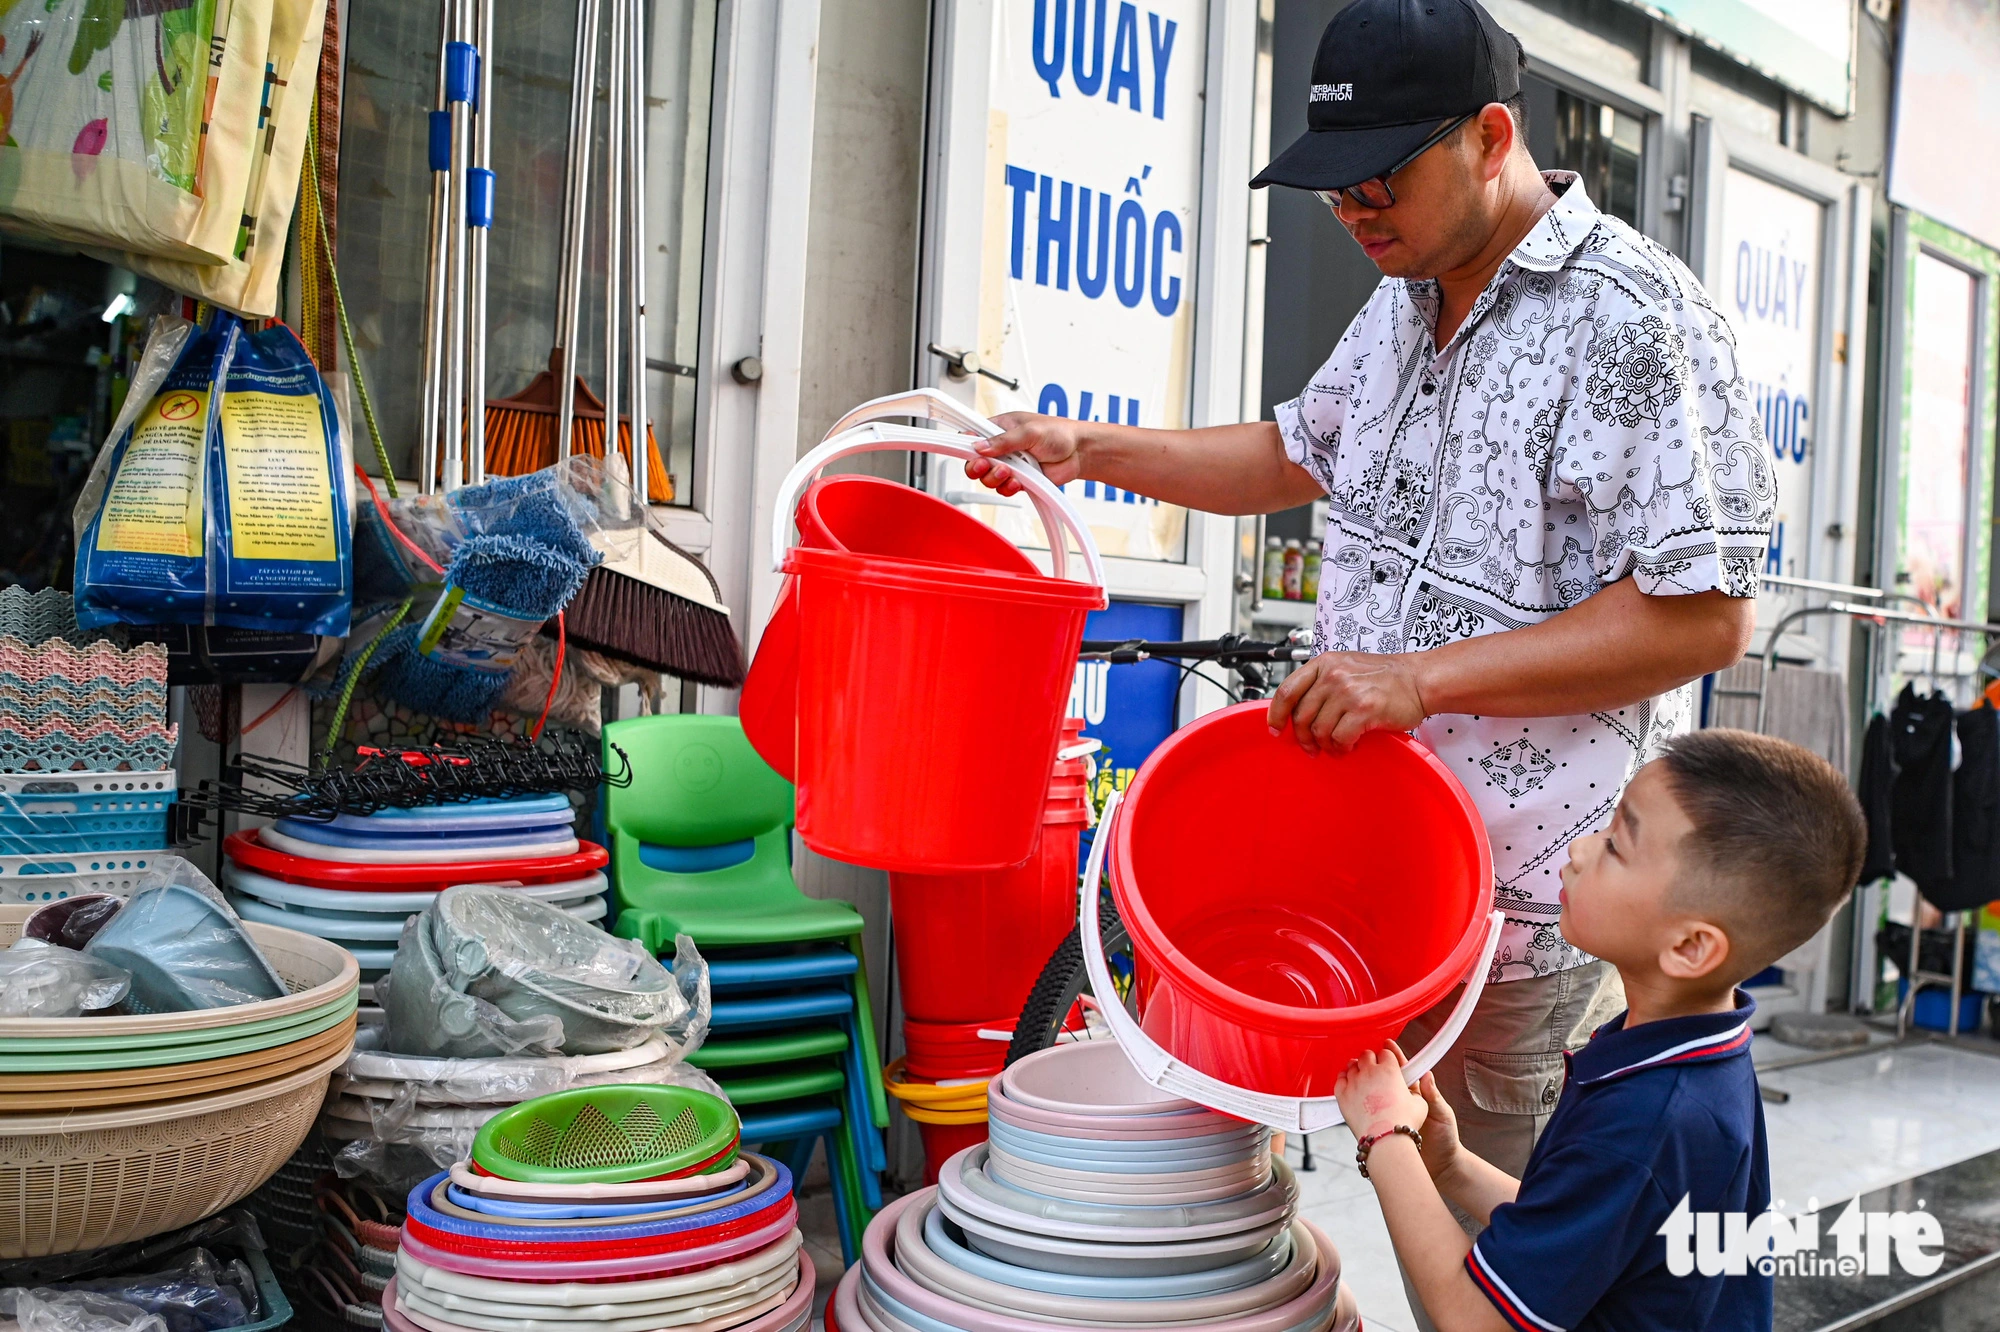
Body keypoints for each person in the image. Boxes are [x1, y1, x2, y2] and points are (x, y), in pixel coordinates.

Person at [967, 1, 1773, 1309]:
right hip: (1368, 871)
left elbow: (1704, 616)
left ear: (1492, 138)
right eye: (1333, 188)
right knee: (1410, 1182)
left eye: (1380, 179)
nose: (1353, 212)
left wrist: (1417, 682)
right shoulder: (1411, 298)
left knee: (1507, 1254)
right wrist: (1090, 449)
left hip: (1519, 897)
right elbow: (1299, 451)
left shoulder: (1636, 321)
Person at [1331, 729, 1866, 1331]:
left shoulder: (1646, 1119)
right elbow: (1586, 1231)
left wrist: (1385, 1138)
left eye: (1616, 845)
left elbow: (1477, 1320)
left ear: (1690, 946)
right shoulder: (1691, 1053)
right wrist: (1451, 1165)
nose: (1580, 849)